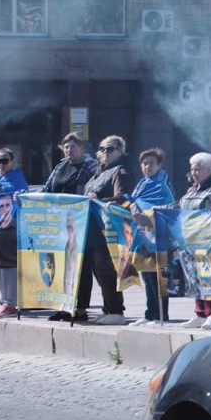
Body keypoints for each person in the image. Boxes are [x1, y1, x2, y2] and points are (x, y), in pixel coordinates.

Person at [74, 136, 130, 325]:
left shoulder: (120, 171)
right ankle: (108, 308)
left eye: (111, 149)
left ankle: (116, 310)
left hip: (107, 229)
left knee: (105, 268)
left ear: (120, 151)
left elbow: (122, 197)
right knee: (98, 270)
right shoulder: (98, 172)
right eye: (103, 148)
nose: (106, 152)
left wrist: (98, 201)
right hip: (91, 228)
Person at [41, 134, 97, 321]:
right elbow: (48, 189)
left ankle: (80, 308)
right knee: (61, 263)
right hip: (59, 222)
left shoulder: (91, 167)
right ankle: (63, 306)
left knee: (81, 265)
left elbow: (93, 190)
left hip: (81, 222)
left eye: (72, 146)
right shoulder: (60, 166)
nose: (69, 150)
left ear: (81, 148)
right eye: (65, 147)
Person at [178, 152, 211, 329]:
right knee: (196, 277)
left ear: (209, 169)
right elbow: (178, 207)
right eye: (192, 168)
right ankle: (200, 313)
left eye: (198, 168)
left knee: (210, 278)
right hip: (194, 242)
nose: (194, 172)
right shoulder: (192, 190)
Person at [128, 149, 176, 326]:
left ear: (159, 165)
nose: (147, 166)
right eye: (144, 163)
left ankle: (161, 315)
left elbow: (170, 207)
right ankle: (150, 313)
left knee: (158, 277)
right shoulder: (142, 183)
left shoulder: (161, 183)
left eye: (151, 163)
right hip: (143, 237)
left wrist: (150, 215)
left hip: (159, 237)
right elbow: (135, 201)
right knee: (147, 276)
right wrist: (133, 207)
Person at [0, 147, 28, 318]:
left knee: (8, 264)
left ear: (13, 161)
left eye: (4, 160)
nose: (0, 164)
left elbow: (22, 196)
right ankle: (5, 300)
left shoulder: (17, 178)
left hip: (10, 228)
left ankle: (11, 302)